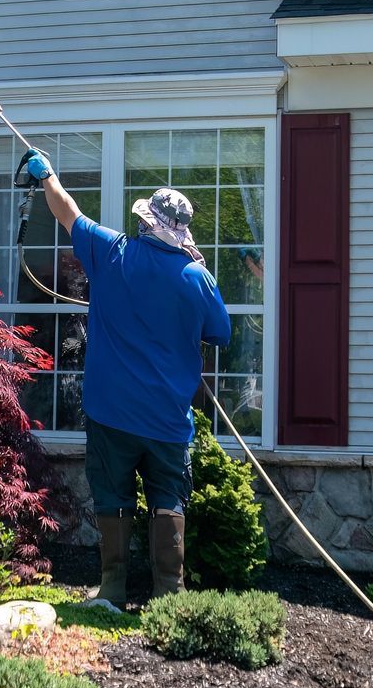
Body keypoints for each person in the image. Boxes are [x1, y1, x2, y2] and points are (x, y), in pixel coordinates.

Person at [23, 148, 231, 607]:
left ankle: (113, 589)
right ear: (179, 233)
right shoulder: (196, 277)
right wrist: (197, 268)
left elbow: (68, 212)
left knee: (112, 494)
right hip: (166, 420)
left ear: (144, 222)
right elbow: (220, 333)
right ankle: (168, 596)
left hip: (109, 411)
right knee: (167, 498)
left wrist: (48, 174)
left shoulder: (111, 251)